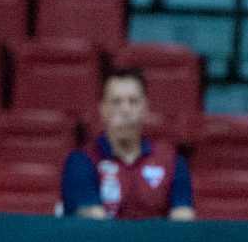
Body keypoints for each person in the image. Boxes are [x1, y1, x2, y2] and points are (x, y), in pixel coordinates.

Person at [60, 68, 195, 220]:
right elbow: (95, 225)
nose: (125, 110)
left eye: (133, 101)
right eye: (116, 102)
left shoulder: (172, 162)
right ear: (103, 109)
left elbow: (183, 221)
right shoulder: (81, 161)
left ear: (145, 107)